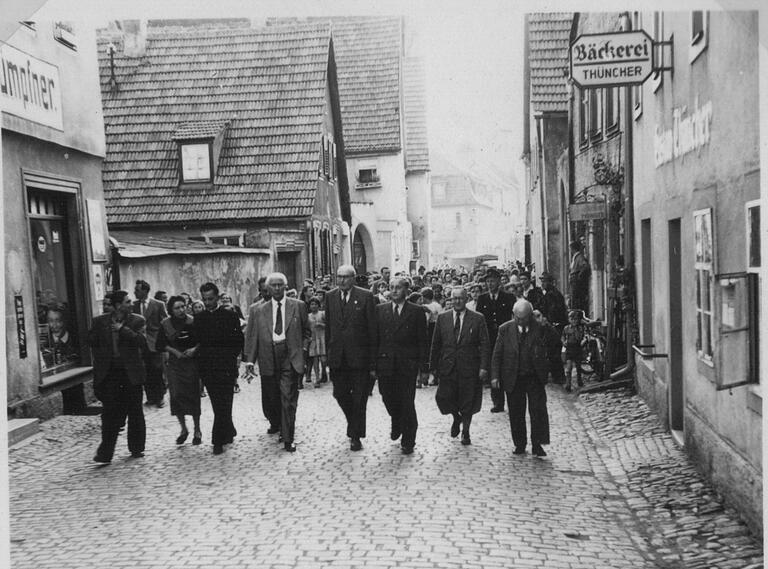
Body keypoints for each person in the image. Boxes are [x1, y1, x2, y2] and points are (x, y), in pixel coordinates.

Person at [244, 273, 310, 452]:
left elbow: (307, 332)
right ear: (268, 288)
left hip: (290, 355)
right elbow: (252, 337)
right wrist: (250, 362)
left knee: (288, 397)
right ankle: (280, 425)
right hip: (268, 356)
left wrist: (302, 351)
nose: (277, 288)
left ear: (286, 286)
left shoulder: (298, 306)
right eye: (273, 285)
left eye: (281, 285)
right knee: (273, 398)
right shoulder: (259, 310)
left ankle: (288, 438)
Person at [491, 299, 559, 457]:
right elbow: (497, 354)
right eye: (517, 318)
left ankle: (538, 444)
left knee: (538, 411)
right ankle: (519, 444)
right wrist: (494, 376)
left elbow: (556, 342)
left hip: (534, 376)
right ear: (513, 315)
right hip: (513, 376)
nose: (520, 321)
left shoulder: (540, 327)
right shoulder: (505, 329)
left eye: (524, 318)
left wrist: (545, 324)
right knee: (516, 412)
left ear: (530, 315)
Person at [88, 290, 147, 464]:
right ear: (117, 306)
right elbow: (91, 341)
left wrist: (123, 330)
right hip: (111, 374)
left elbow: (142, 342)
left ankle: (136, 448)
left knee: (135, 411)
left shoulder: (137, 320)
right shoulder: (100, 322)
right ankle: (105, 453)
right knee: (109, 414)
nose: (131, 304)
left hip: (131, 374)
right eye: (127, 302)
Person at [325, 264, 377, 451]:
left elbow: (372, 330)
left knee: (359, 398)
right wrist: (328, 356)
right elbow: (329, 330)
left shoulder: (365, 296)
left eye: (346, 277)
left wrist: (372, 362)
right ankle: (352, 423)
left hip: (359, 358)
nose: (342, 281)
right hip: (338, 358)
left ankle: (356, 435)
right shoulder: (330, 297)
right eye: (339, 277)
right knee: (339, 394)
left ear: (353, 278)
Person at [374, 277, 428, 455]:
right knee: (387, 397)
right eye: (391, 287)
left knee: (407, 402)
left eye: (398, 288)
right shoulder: (380, 310)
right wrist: (373, 365)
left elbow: (423, 341)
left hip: (407, 365)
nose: (394, 291)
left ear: (406, 290)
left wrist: (423, 368)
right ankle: (396, 419)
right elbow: (375, 340)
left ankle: (408, 439)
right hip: (385, 363)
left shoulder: (416, 311)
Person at [430, 287, 490, 445]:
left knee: (468, 400)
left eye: (460, 298)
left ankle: (466, 431)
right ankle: (456, 418)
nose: (457, 301)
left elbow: (485, 344)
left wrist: (484, 367)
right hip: (448, 366)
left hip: (469, 366)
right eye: (454, 298)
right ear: (450, 299)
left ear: (466, 299)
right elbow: (436, 344)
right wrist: (433, 368)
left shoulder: (477, 318)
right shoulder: (443, 318)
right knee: (443, 398)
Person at [193, 282, 244, 455]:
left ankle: (222, 434)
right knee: (217, 403)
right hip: (208, 368)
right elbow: (197, 342)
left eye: (211, 299)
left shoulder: (229, 316)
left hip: (226, 367)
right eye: (204, 299)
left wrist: (231, 358)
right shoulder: (199, 319)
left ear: (217, 298)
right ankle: (220, 437)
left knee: (226, 402)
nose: (207, 303)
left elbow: (238, 340)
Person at [156, 295, 202, 445]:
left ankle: (197, 429)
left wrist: (194, 349)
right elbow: (160, 344)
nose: (181, 310)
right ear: (171, 310)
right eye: (177, 307)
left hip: (191, 363)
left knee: (193, 395)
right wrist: (174, 352)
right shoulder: (165, 324)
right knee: (176, 396)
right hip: (175, 364)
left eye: (183, 306)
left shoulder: (193, 321)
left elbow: (202, 340)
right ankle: (183, 428)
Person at [475, 267, 514, 413]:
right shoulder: (482, 299)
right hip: (489, 339)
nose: (490, 284)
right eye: (488, 281)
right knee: (493, 370)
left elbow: (513, 317)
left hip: (506, 338)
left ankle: (510, 399)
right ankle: (497, 401)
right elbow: (479, 319)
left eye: (493, 281)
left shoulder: (508, 297)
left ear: (499, 281)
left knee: (507, 368)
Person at [133, 279, 168, 408]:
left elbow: (165, 322)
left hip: (154, 342)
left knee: (157, 370)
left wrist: (163, 340)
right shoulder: (134, 305)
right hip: (140, 343)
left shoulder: (158, 304)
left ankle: (160, 397)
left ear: (145, 291)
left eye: (137, 290)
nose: (135, 292)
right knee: (145, 371)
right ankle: (150, 397)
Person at [561, 310, 587, 392]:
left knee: (578, 367)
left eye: (575, 319)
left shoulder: (580, 328)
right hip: (569, 348)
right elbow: (562, 337)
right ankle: (568, 385)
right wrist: (564, 342)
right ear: (569, 320)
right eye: (572, 319)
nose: (574, 321)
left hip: (577, 348)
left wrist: (578, 332)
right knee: (568, 368)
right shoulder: (566, 328)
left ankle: (579, 381)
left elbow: (581, 338)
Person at [306, 296, 328, 386]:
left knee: (323, 359)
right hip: (313, 339)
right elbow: (307, 328)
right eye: (312, 304)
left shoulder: (322, 314)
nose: (313, 306)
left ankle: (323, 372)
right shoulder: (308, 316)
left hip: (322, 338)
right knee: (315, 359)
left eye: (315, 304)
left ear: (319, 305)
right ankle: (317, 378)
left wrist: (322, 325)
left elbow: (328, 325)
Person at [569, 240, 591, 313]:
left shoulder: (579, 257)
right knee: (574, 301)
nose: (570, 251)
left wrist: (579, 277)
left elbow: (585, 266)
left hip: (577, 285)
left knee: (577, 302)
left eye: (571, 249)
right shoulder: (575, 258)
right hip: (574, 284)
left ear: (574, 249)